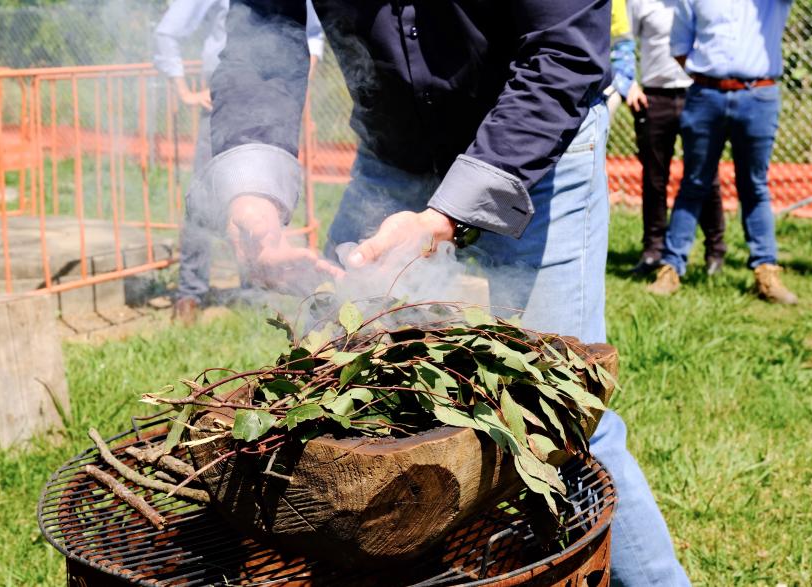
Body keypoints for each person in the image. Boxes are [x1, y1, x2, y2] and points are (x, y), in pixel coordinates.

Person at [202, 2, 691, 584]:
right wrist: (252, 200)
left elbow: (563, 51)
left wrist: (443, 219)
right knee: (346, 388)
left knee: (563, 414)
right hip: (393, 155)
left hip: (539, 148)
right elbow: (264, 35)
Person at [154, 0, 325, 323]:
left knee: (262, 204)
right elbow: (168, 31)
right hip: (226, 103)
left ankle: (254, 290)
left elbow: (313, 35)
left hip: (278, 101)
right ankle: (190, 292)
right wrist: (184, 90)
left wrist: (295, 95)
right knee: (204, 202)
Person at [647, 0, 799, 304]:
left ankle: (766, 271)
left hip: (758, 95)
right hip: (706, 96)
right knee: (694, 182)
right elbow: (679, 46)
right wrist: (710, 77)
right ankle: (671, 268)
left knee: (754, 185)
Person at [624, 0, 726, 276]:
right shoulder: (640, 3)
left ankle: (715, 250)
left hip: (698, 93)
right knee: (654, 177)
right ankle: (653, 250)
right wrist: (628, 83)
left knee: (705, 175)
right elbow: (623, 42)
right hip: (654, 97)